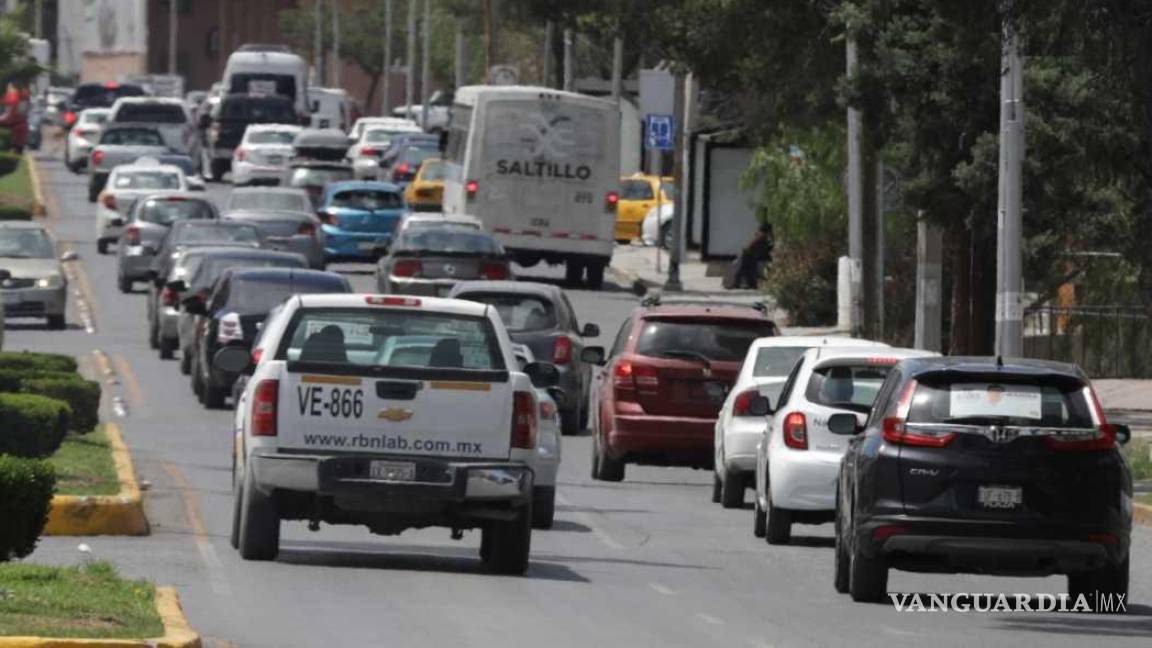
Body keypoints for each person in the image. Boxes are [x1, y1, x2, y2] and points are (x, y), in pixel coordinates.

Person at [732, 223, 773, 289]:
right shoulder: (765, 238)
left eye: (759, 231)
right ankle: (747, 283)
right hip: (756, 256)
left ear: (762, 231)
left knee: (745, 262)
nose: (758, 232)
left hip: (757, 257)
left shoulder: (762, 238)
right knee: (745, 262)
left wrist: (744, 251)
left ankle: (739, 282)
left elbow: (750, 247)